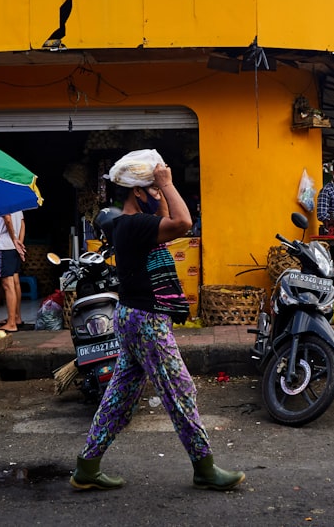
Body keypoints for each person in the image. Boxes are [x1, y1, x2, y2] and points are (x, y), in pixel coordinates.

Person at [71, 157, 244, 492]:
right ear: (137, 192)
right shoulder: (135, 226)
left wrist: (159, 185)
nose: (158, 192)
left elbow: (167, 217)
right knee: (180, 391)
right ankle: (204, 467)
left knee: (119, 397)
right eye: (149, 188)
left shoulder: (135, 224)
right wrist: (164, 183)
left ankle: (87, 466)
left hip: (133, 317)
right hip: (147, 321)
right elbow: (182, 222)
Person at [0, 210, 26, 333]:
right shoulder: (15, 201)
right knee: (15, 282)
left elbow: (7, 218)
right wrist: (19, 243)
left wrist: (14, 239)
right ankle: (16, 317)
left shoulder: (0, 198)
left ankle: (11, 323)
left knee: (7, 284)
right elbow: (22, 224)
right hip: (12, 247)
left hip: (4, 245)